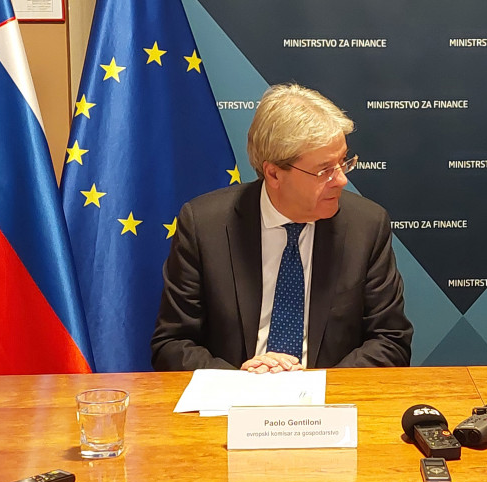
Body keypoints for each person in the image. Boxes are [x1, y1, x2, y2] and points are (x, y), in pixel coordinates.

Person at [151, 83, 413, 372]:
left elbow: (390, 341)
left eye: (343, 162)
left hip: (329, 400)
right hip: (232, 402)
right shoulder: (204, 225)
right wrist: (239, 382)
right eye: (324, 170)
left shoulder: (366, 226)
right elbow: (172, 345)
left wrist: (315, 386)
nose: (341, 180)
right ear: (274, 173)